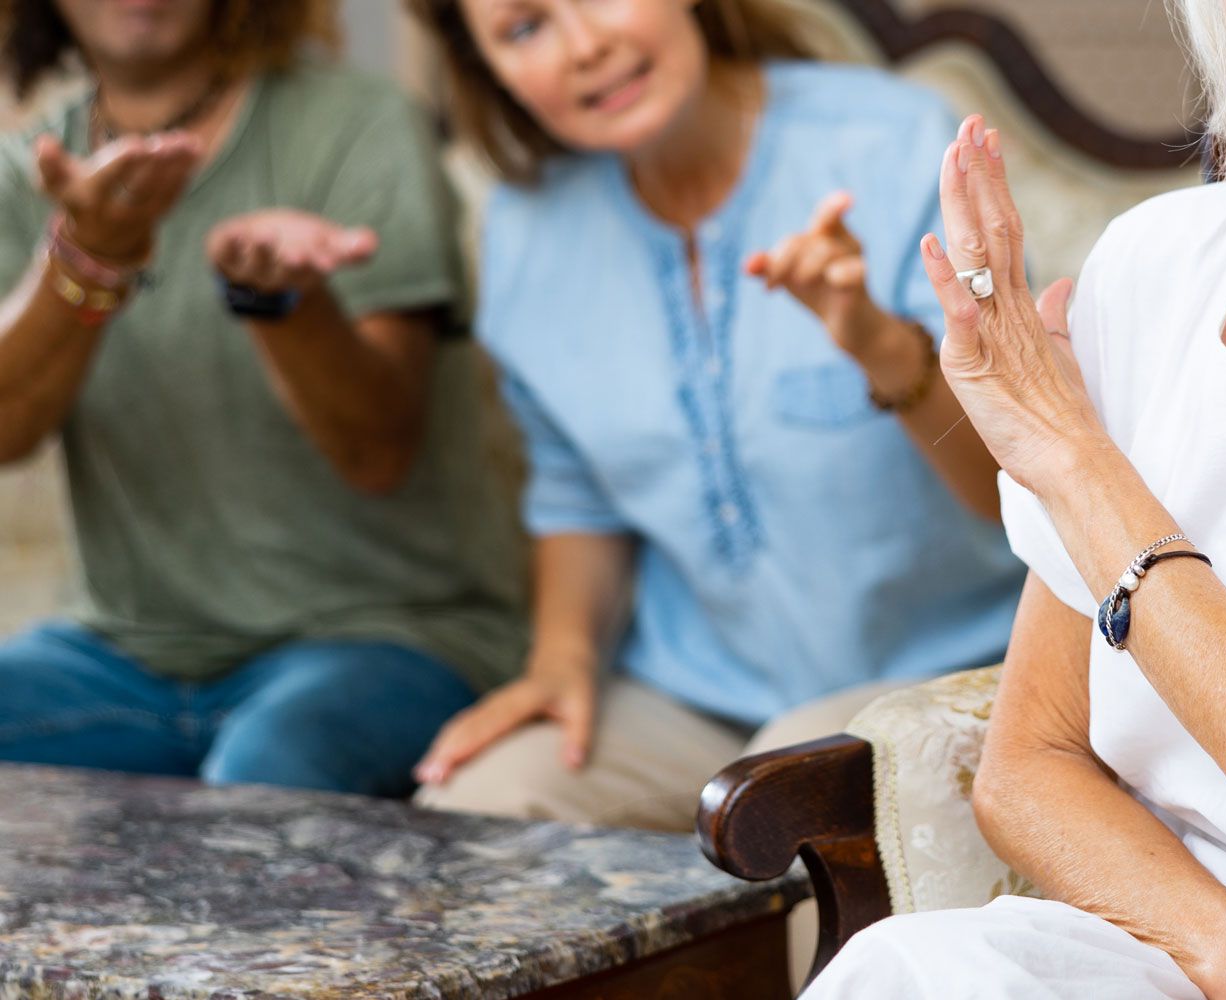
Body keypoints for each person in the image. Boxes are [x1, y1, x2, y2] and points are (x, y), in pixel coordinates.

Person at [805, 0, 1226, 997]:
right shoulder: (1157, 264)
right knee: (903, 969)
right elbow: (1031, 762)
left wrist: (1070, 456)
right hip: (1173, 957)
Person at [407, 0, 1026, 828]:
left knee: (790, 788)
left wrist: (883, 347)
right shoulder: (524, 229)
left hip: (954, 672)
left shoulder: (896, 143)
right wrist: (561, 660)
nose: (585, 46)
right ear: (488, 69)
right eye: (525, 28)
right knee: (473, 807)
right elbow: (578, 496)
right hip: (697, 695)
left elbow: (1011, 485)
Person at [0, 0, 527, 796]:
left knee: (261, 783)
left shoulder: (359, 123)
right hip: (122, 655)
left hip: (387, 638)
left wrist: (282, 304)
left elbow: (377, 452)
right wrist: (88, 257)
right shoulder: (27, 168)